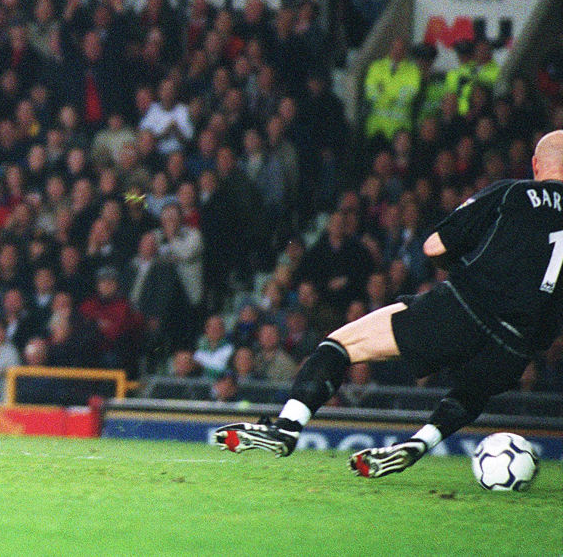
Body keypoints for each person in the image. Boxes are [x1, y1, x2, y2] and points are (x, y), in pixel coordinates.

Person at [217, 130, 563, 479]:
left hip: (466, 308)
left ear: (535, 165)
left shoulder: (514, 192)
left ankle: (287, 427)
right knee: (472, 391)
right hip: (519, 341)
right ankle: (420, 443)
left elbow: (435, 247)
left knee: (339, 345)